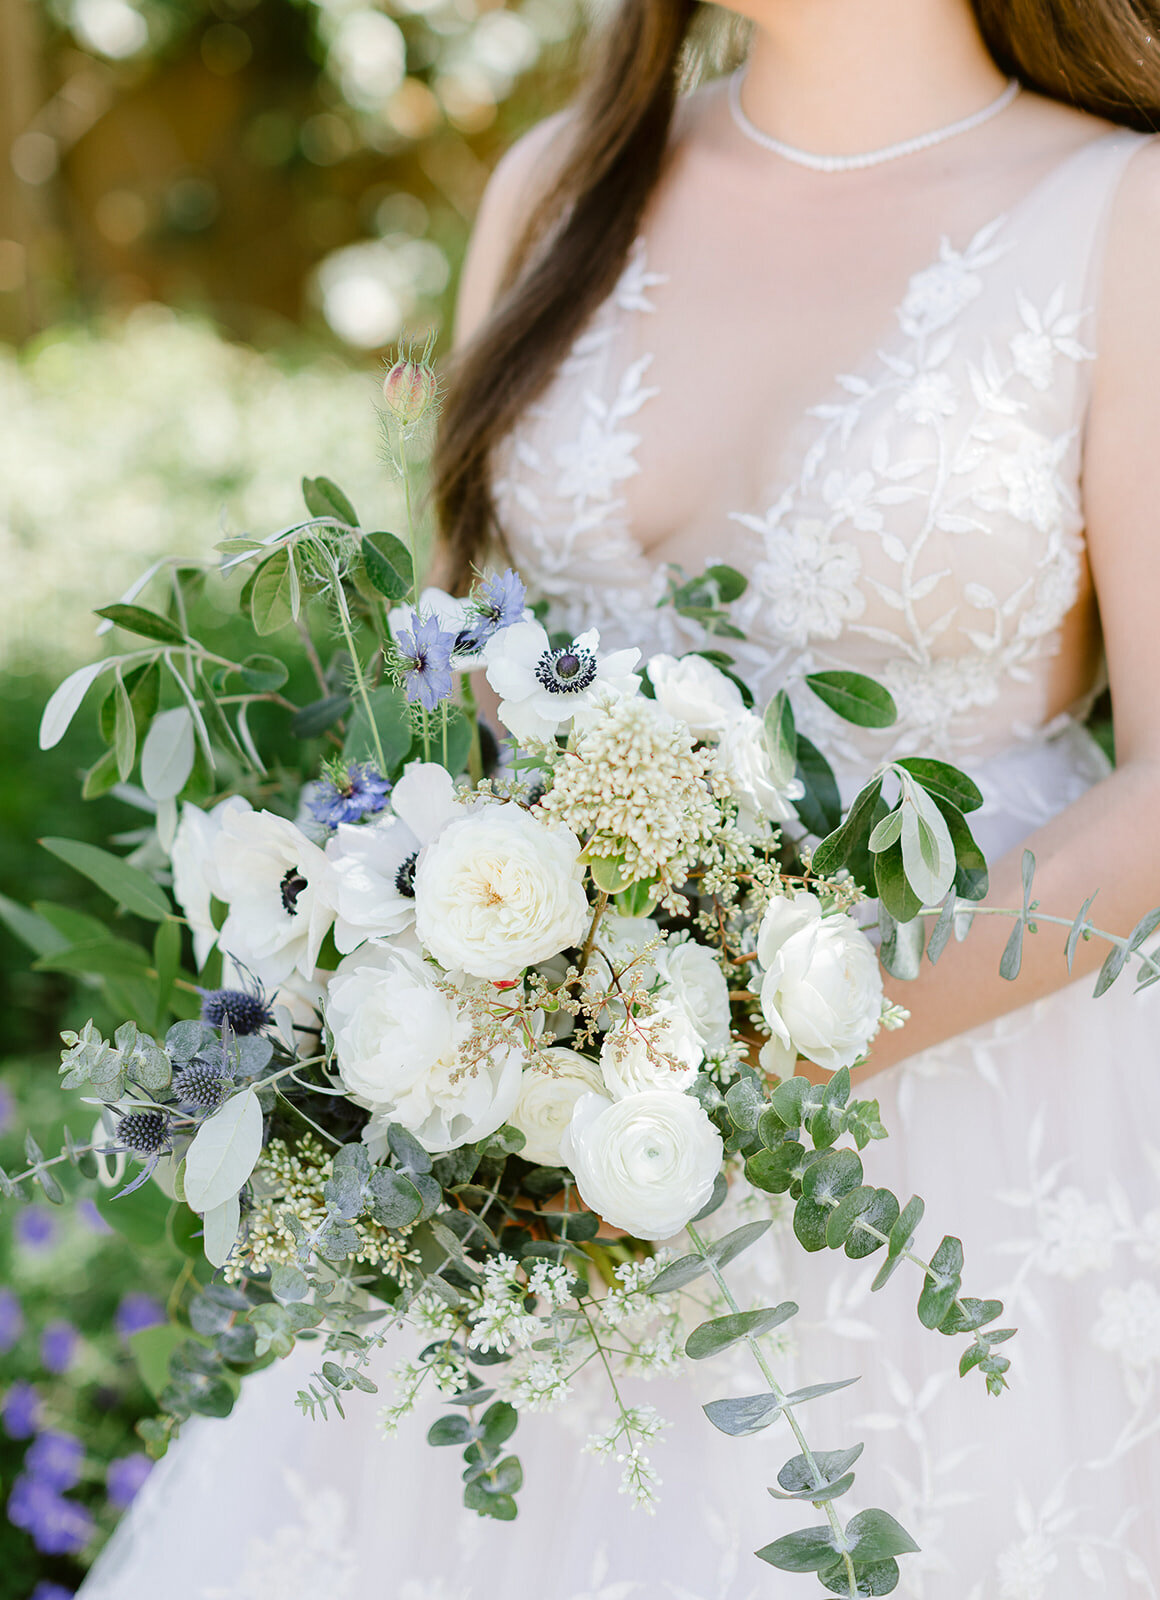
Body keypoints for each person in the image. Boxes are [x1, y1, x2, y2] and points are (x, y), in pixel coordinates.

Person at [80, 2, 1160, 1595]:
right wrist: (415, 980)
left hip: (967, 1104)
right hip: (530, 1136)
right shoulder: (562, 180)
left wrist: (784, 1042)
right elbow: (448, 684)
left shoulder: (1122, 216)